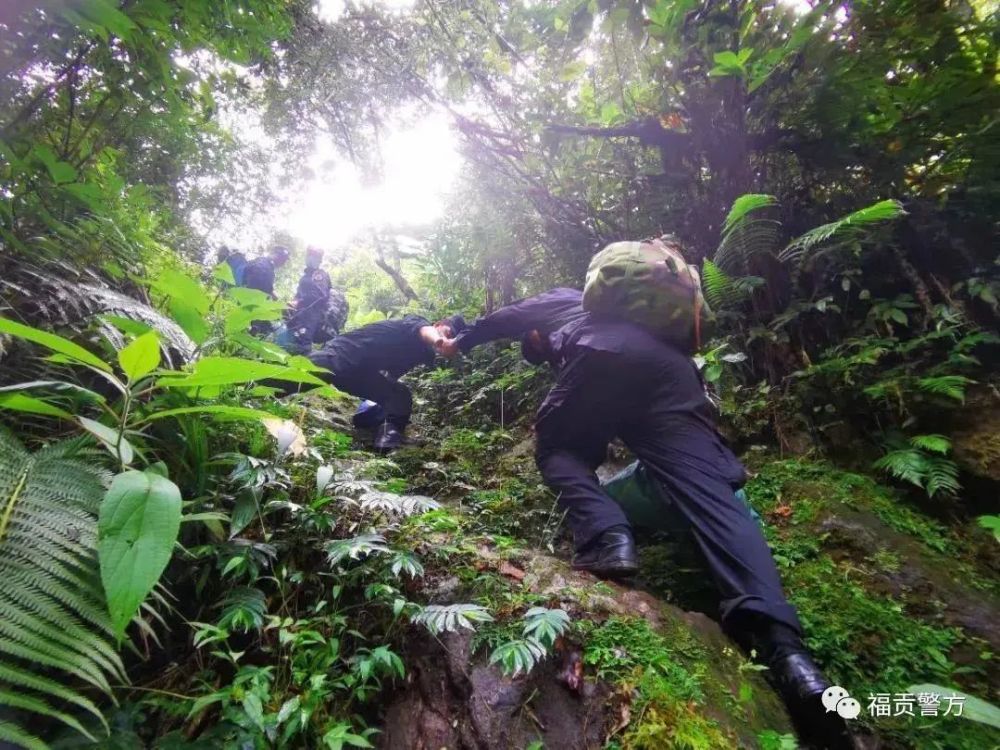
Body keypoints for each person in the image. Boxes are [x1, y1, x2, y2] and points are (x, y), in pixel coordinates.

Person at [439, 290, 847, 744]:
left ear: (534, 338)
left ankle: (609, 538)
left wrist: (462, 341)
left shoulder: (565, 302)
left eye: (536, 348)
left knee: (559, 450)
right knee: (713, 499)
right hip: (673, 374)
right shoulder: (629, 313)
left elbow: (506, 318)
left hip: (602, 357)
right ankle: (792, 658)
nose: (541, 351)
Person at [280, 314, 465, 452]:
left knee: (400, 396)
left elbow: (392, 376)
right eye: (448, 333)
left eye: (452, 338)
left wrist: (376, 404)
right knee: (319, 370)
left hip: (362, 374)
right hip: (347, 351)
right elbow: (427, 332)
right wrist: (441, 341)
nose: (449, 339)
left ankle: (386, 436)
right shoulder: (419, 323)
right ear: (439, 325)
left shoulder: (424, 354)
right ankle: (260, 388)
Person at [279, 246, 331, 354]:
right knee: (292, 343)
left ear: (319, 259)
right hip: (300, 315)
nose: (310, 258)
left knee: (303, 345)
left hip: (311, 314)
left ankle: (303, 369)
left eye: (313, 256)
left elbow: (319, 295)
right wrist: (291, 304)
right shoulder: (305, 277)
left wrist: (299, 302)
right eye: (309, 255)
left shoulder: (319, 274)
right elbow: (299, 294)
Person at [242, 246, 290, 334]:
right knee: (255, 329)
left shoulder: (264, 265)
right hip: (253, 305)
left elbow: (267, 288)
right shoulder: (264, 265)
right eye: (282, 259)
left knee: (267, 330)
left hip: (251, 303)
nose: (282, 263)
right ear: (276, 255)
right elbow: (264, 287)